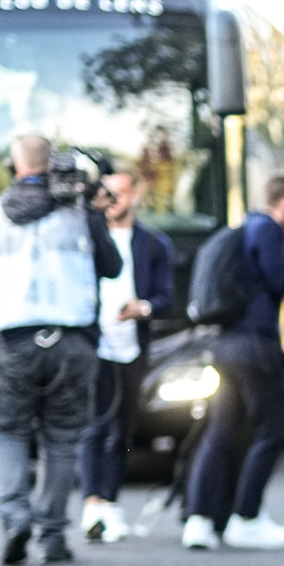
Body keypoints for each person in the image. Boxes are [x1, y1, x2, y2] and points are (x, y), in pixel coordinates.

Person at [0, 133, 122, 566]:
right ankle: (53, 536)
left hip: (16, 338)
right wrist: (95, 208)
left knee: (8, 429)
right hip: (72, 339)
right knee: (61, 439)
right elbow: (112, 267)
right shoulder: (80, 210)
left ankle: (14, 516)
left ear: (14, 165)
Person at [181, 171, 284, 551]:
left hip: (225, 343)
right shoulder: (269, 230)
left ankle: (199, 519)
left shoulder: (242, 228)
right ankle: (247, 515)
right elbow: (280, 281)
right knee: (271, 429)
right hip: (256, 345)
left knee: (221, 430)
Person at [77, 166, 175, 542]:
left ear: (134, 195)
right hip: (95, 344)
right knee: (94, 425)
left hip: (131, 345)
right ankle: (92, 505)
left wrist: (144, 308)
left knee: (122, 428)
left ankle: (111, 505)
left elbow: (166, 299)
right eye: (107, 195)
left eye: (120, 194)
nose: (113, 202)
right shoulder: (88, 238)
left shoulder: (153, 244)